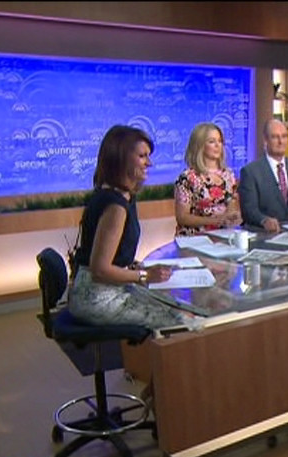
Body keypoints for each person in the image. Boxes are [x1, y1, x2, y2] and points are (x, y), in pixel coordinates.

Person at [68, 125, 200, 331]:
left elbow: (113, 258)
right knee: (187, 321)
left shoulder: (122, 196)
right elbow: (100, 270)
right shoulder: (115, 206)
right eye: (142, 156)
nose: (149, 163)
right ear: (121, 159)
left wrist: (140, 269)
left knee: (179, 306)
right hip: (97, 296)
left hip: (110, 288)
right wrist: (145, 276)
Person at [174, 122, 242, 236]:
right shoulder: (187, 178)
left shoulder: (228, 175)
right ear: (199, 145)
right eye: (212, 141)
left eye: (220, 141)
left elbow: (232, 205)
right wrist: (214, 221)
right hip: (194, 239)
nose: (217, 145)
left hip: (224, 236)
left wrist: (233, 216)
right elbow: (182, 217)